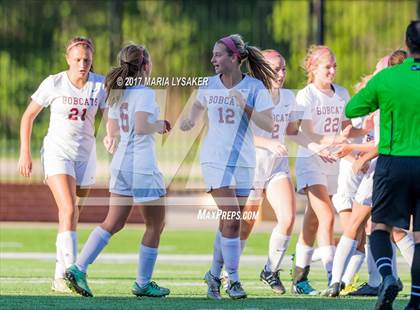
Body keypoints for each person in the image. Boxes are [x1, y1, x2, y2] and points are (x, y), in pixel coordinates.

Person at [65, 44, 171, 298]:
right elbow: (142, 125)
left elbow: (112, 125)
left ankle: (78, 268)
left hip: (121, 164)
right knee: (156, 224)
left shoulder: (117, 91)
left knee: (114, 221)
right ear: (145, 65)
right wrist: (161, 124)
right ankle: (143, 283)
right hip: (142, 166)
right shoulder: (143, 92)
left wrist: (113, 136)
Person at [180, 34, 274, 300]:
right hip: (214, 158)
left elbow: (268, 124)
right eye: (213, 54)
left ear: (235, 58)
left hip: (243, 160)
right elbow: (198, 106)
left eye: (218, 54)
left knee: (230, 223)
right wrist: (189, 121)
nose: (213, 59)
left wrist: (243, 104)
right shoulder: (208, 84)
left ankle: (213, 274)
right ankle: (232, 280)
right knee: (232, 217)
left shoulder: (255, 87)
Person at [17, 37, 106, 293]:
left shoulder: (99, 85)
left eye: (86, 60)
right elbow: (28, 116)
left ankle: (59, 275)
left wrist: (111, 133)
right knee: (67, 209)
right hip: (57, 153)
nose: (82, 64)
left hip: (85, 156)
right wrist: (25, 152)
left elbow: (109, 114)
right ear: (68, 59)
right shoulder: (54, 83)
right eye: (77, 59)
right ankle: (71, 273)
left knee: (73, 212)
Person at [324, 50, 414, 298]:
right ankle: (384, 280)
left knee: (357, 225)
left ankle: (336, 281)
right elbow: (368, 131)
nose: (374, 73)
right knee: (391, 230)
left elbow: (381, 142)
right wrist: (349, 138)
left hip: (383, 169)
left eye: (378, 70)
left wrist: (358, 153)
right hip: (405, 166)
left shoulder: (388, 94)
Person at [345, 20, 420, 310]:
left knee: (379, 227)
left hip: (393, 162)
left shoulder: (387, 77)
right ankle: (415, 301)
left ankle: (387, 276)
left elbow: (352, 109)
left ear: (407, 43)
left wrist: (383, 103)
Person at [288, 45, 368, 295]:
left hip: (334, 163)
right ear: (312, 68)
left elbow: (347, 130)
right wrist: (326, 143)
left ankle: (299, 275)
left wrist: (367, 129)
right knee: (326, 217)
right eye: (327, 66)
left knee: (312, 221)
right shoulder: (306, 95)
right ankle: (333, 275)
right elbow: (300, 131)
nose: (332, 70)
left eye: (334, 66)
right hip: (311, 160)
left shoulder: (342, 93)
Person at [228, 49, 298, 294]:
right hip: (253, 166)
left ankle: (270, 269)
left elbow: (294, 131)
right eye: (276, 68)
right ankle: (229, 273)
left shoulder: (288, 97)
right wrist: (268, 143)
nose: (281, 73)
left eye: (283, 68)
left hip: (276, 166)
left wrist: (323, 145)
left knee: (288, 219)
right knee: (245, 225)